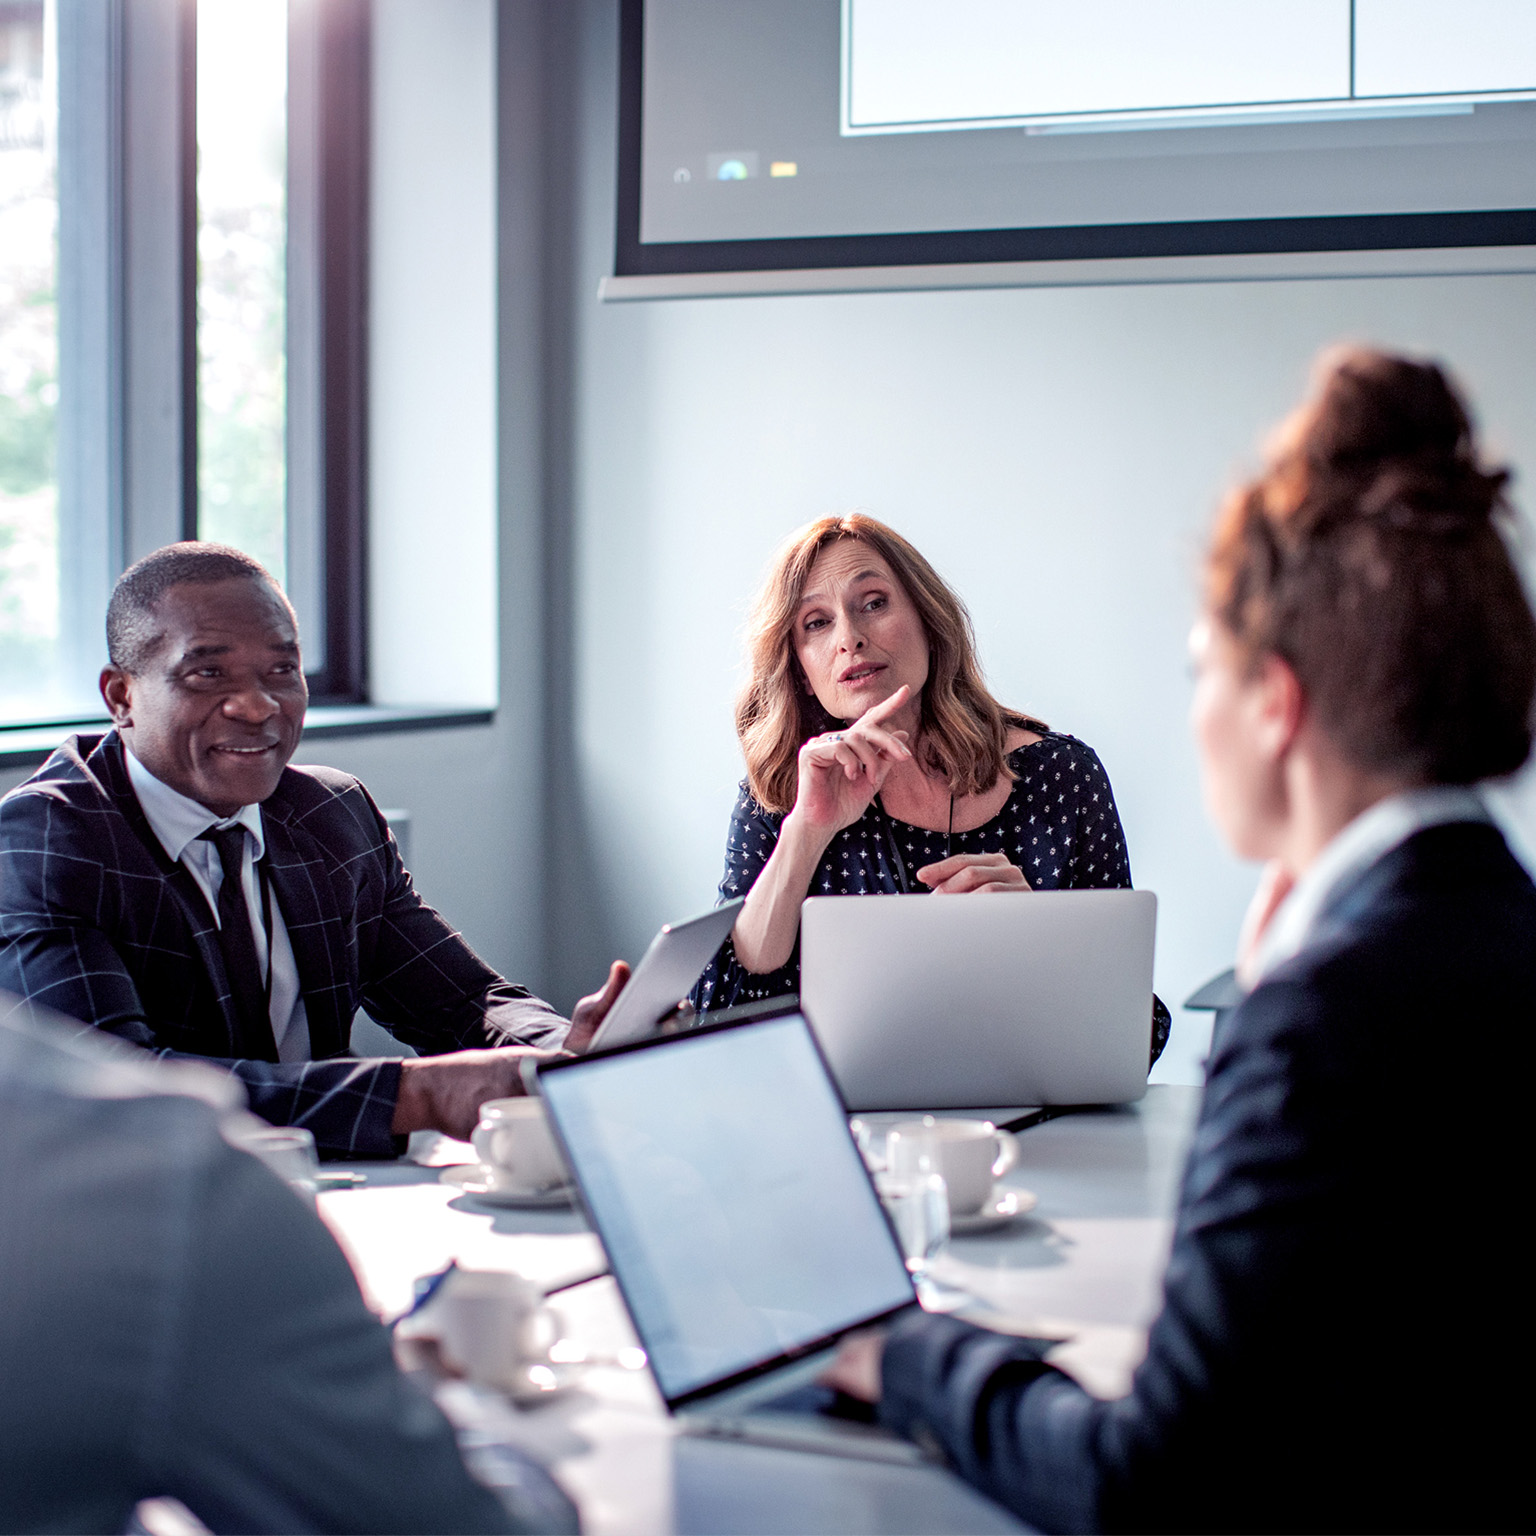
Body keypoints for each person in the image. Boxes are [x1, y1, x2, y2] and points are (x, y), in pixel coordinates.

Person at [824, 350, 1536, 1530]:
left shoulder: (1326, 1019)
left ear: (1276, 706)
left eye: (1203, 672)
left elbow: (1151, 1484)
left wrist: (907, 1354)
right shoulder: (1493, 932)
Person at [0, 544, 627, 1158]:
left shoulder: (332, 814)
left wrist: (566, 1050)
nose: (258, 706)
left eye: (281, 670)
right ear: (121, 698)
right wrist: (420, 1095)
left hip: (331, 1191)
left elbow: (461, 1002)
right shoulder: (44, 844)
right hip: (140, 1215)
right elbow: (121, 1097)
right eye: (207, 673)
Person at [0, 992, 577, 1534]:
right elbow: (123, 1059)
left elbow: (456, 994)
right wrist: (463, 1410)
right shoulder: (162, 1182)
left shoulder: (343, 876)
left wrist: (569, 1051)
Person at [693, 513, 1168, 1061]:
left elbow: (1134, 1028)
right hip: (852, 1134)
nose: (851, 638)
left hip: (1036, 1123)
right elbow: (717, 1013)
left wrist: (1038, 941)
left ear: (928, 620)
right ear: (800, 669)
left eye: (873, 602)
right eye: (816, 624)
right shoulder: (779, 793)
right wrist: (806, 833)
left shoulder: (1064, 776)